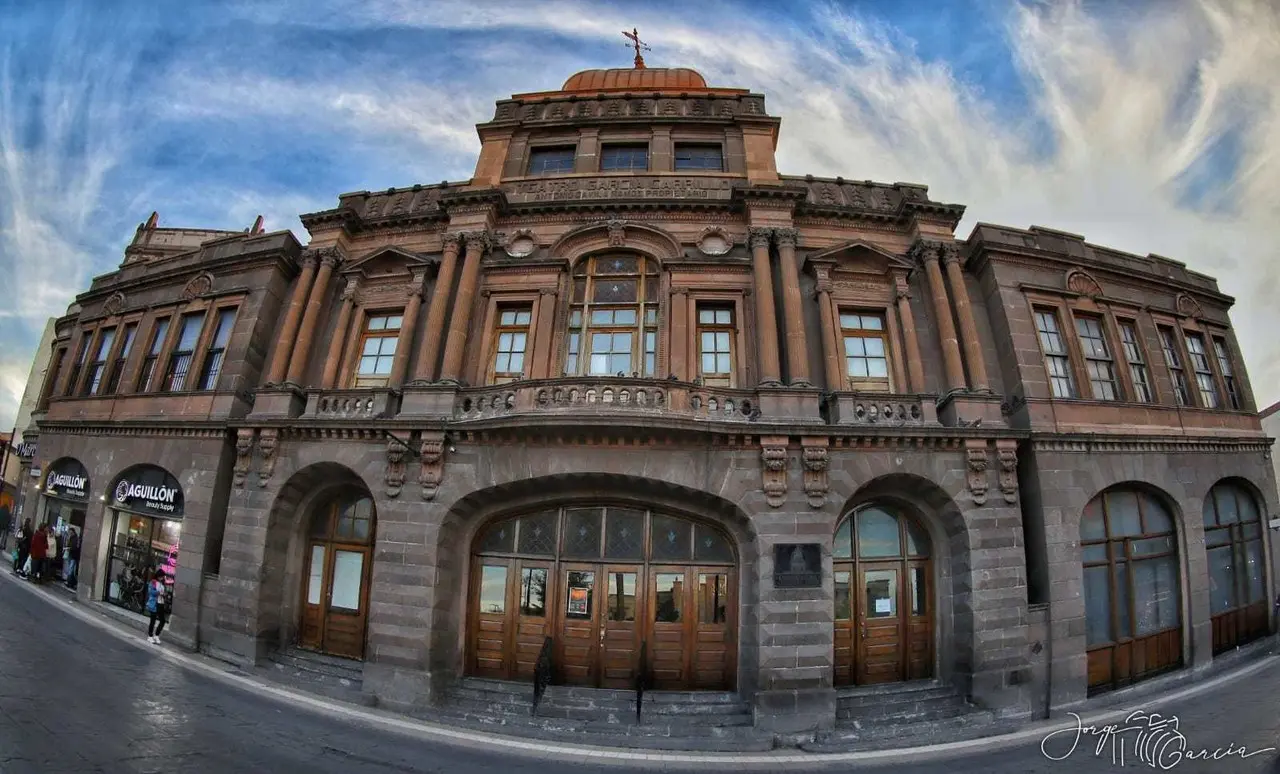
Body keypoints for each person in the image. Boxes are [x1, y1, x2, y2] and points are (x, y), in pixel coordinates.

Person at [146, 569, 171, 644]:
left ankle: (156, 635)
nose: (162, 578)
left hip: (161, 603)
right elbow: (151, 592)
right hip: (154, 603)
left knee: (162, 620)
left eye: (163, 577)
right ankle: (150, 636)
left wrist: (165, 594)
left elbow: (162, 592)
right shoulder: (153, 582)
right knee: (153, 621)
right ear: (158, 576)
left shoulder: (162, 583)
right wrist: (159, 592)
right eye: (161, 576)